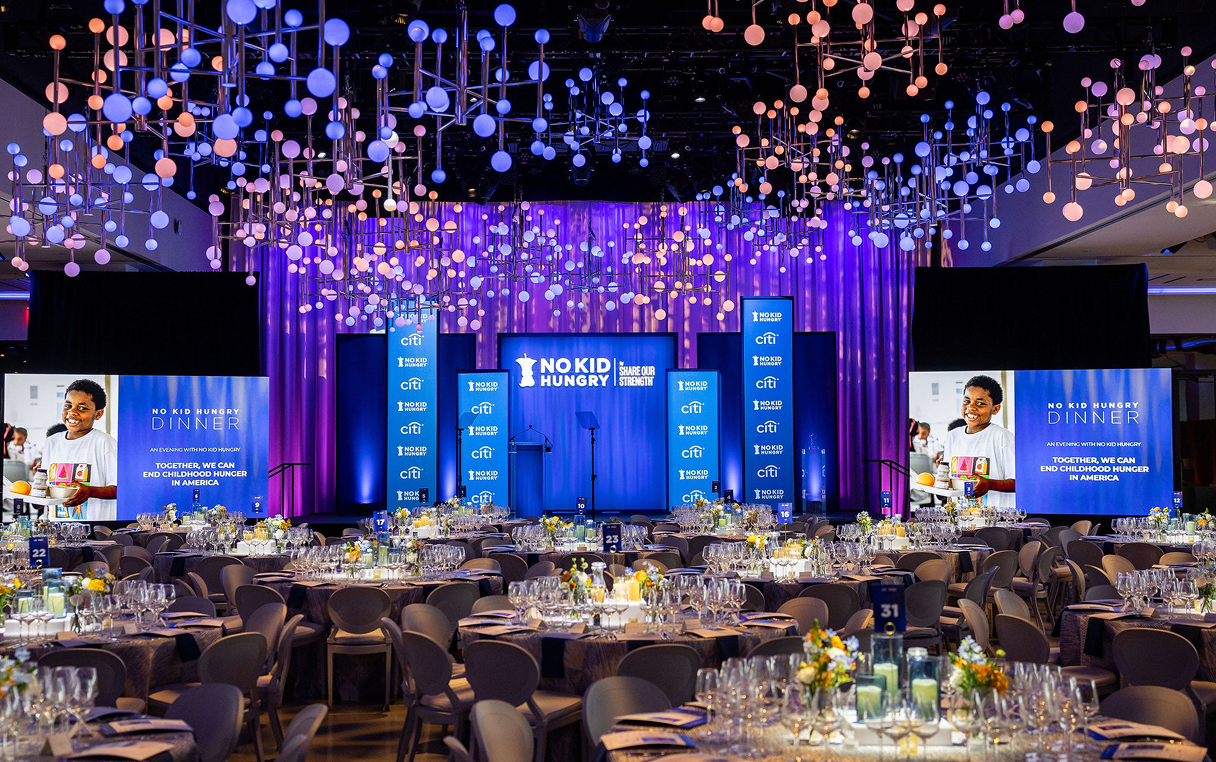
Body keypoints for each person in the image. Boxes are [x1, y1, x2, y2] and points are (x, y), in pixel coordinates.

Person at [40, 379, 118, 521]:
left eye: (82, 408)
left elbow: (120, 489)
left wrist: (90, 491)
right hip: (57, 527)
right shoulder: (51, 442)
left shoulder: (104, 442)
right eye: (68, 405)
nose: (72, 412)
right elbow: (46, 488)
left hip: (95, 530)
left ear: (98, 414)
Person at [941, 374, 1015, 507]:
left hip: (994, 521)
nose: (971, 407)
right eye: (966, 401)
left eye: (980, 403)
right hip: (958, 517)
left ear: (995, 409)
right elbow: (947, 485)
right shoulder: (952, 436)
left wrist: (990, 484)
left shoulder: (1002, 437)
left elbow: (1018, 482)